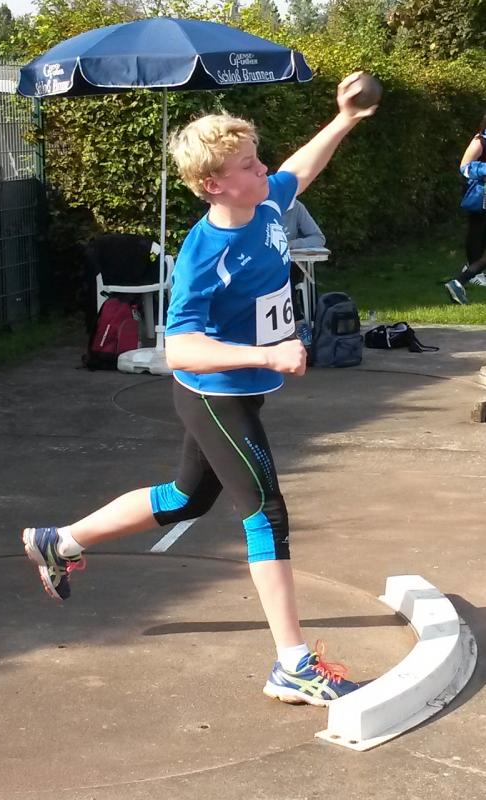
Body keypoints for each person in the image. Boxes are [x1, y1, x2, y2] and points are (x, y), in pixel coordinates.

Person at [22, 72, 378, 706]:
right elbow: (179, 347)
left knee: (185, 498)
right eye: (248, 164)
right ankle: (292, 664)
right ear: (214, 184)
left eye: (258, 158)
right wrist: (267, 353)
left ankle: (62, 540)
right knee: (266, 512)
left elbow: (298, 170)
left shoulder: (265, 204)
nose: (264, 168)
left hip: (241, 388)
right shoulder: (204, 254)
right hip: (214, 393)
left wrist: (345, 119)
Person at [445, 115, 486, 305]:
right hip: (481, 195)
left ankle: (459, 281)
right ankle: (462, 279)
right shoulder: (481, 140)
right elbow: (465, 167)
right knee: (476, 232)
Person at [282, 199, 326, 347]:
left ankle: (300, 323)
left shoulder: (296, 207)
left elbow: (319, 238)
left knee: (290, 277)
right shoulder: (254, 205)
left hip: (288, 264)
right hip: (258, 265)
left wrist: (293, 244)